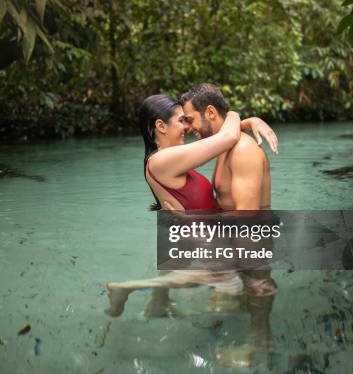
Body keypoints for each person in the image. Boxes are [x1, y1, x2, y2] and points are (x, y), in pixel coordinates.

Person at [106, 93, 277, 317]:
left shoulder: (168, 157)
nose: (187, 127)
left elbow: (224, 137)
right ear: (160, 126)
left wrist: (248, 122)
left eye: (188, 120)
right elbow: (226, 138)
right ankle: (127, 288)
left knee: (214, 282)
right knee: (228, 286)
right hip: (203, 237)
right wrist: (237, 115)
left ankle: (157, 304)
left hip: (199, 233)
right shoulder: (162, 161)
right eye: (181, 120)